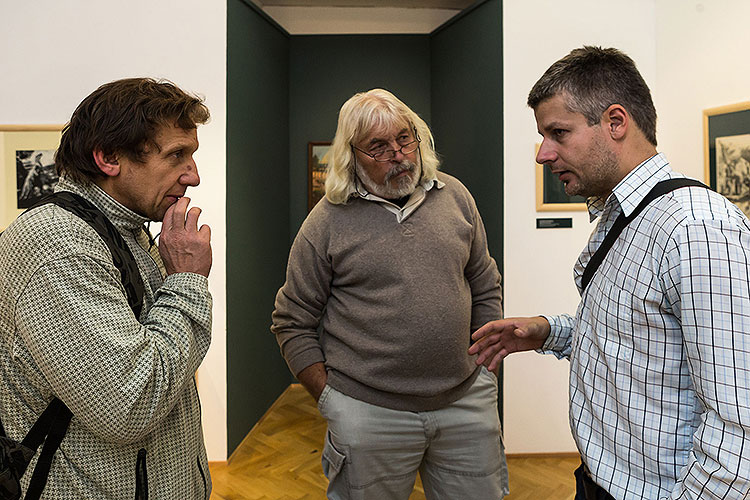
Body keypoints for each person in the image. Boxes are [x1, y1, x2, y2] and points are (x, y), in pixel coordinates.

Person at [469, 46, 750, 499]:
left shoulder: (696, 228)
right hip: (600, 480)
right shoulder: (625, 213)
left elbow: (739, 428)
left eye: (558, 133)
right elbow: (636, 335)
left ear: (616, 123)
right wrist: (546, 332)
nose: (543, 153)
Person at [271, 88, 508, 499]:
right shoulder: (325, 222)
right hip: (368, 414)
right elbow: (291, 321)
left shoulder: (455, 197)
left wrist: (487, 368)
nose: (398, 154)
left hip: (466, 403)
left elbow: (484, 282)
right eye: (379, 147)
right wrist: (331, 400)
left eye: (404, 138)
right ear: (351, 156)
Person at [0, 78, 213, 499]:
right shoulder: (57, 244)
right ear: (109, 157)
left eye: (192, 155)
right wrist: (187, 281)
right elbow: (129, 405)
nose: (194, 176)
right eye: (176, 155)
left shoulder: (126, 229)